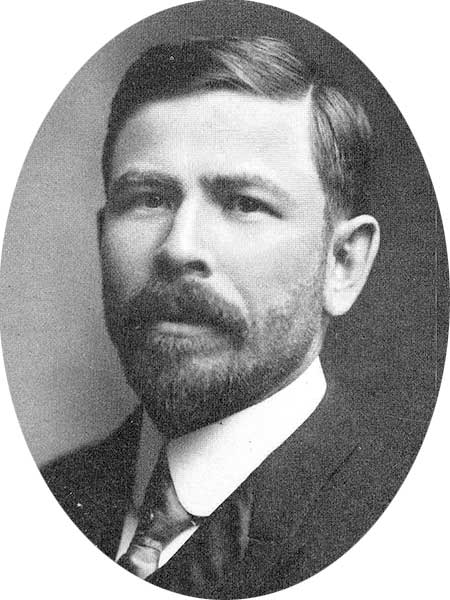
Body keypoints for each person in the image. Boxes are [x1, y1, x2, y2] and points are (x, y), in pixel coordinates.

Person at [42, 35, 420, 599]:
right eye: (147, 199)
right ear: (101, 236)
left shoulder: (413, 529)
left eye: (245, 203)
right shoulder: (40, 499)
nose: (178, 247)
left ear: (342, 263)